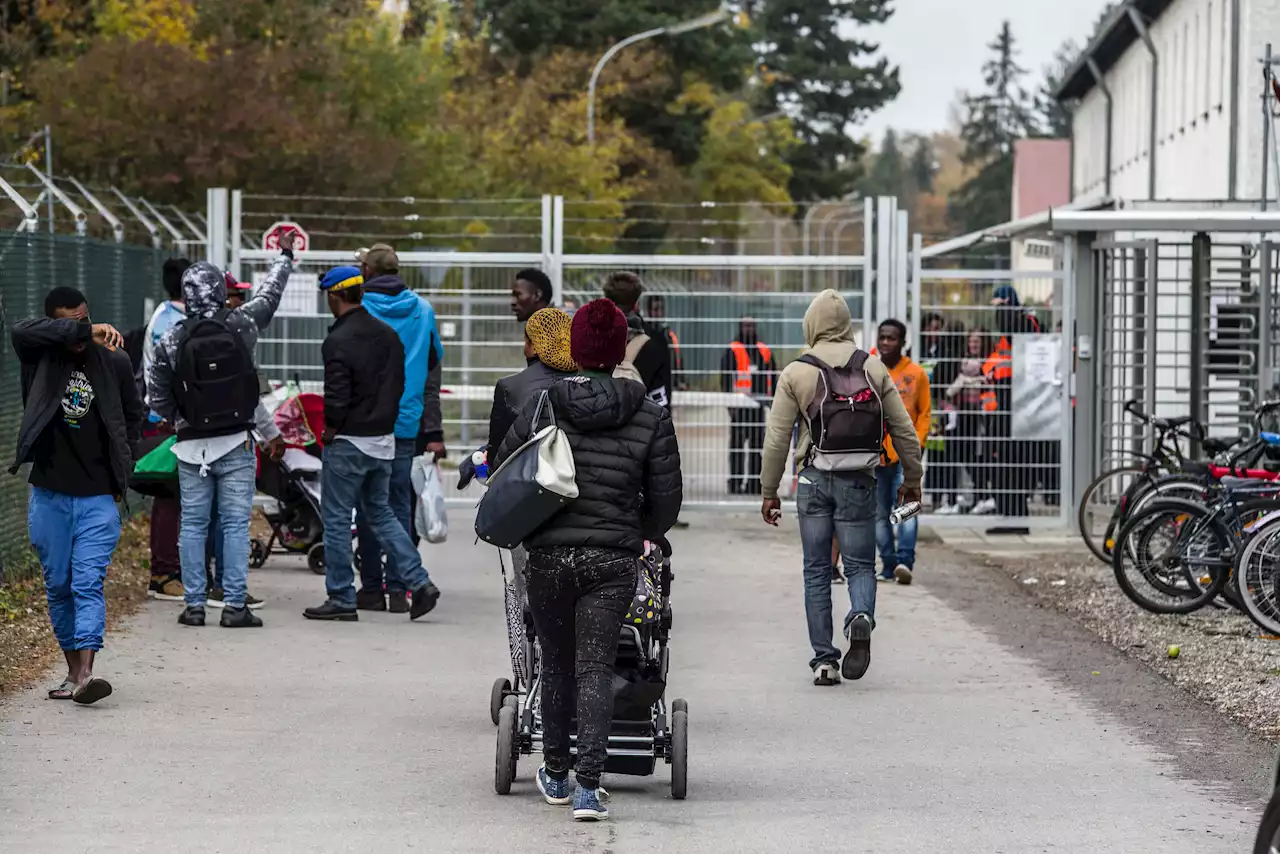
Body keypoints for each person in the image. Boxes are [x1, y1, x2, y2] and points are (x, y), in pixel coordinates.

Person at [492, 299, 681, 821]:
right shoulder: (649, 413)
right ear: (621, 349)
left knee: (556, 665)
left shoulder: (543, 403)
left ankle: (553, 770)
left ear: (575, 348)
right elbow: (666, 501)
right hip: (612, 561)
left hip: (549, 554)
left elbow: (507, 466)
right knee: (597, 665)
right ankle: (588, 787)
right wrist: (631, 531)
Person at [758, 290, 923, 687]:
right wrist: (912, 482)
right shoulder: (873, 368)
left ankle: (824, 660)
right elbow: (903, 430)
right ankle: (860, 616)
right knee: (860, 565)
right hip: (860, 481)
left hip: (814, 480)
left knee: (816, 570)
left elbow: (777, 438)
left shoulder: (797, 372)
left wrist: (769, 490)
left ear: (811, 324)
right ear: (847, 324)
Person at [148, 238, 294, 628]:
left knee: (193, 524)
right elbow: (270, 295)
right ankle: (233, 605)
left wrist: (183, 416)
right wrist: (285, 258)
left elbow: (156, 397)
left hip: (190, 445)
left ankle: (194, 605)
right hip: (237, 441)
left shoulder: (172, 339)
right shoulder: (242, 324)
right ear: (220, 290)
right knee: (233, 524)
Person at [11, 287, 143, 704]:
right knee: (59, 584)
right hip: (49, 494)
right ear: (55, 323)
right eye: (72, 321)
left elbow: (132, 414)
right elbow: (21, 330)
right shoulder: (39, 358)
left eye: (86, 318)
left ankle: (87, 674)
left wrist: (124, 461)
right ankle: (71, 672)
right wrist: (76, 330)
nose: (83, 329)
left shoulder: (114, 360)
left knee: (88, 582)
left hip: (96, 497)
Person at [303, 267, 441, 622]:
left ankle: (341, 597)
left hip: (348, 442)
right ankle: (420, 583)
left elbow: (336, 396)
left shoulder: (337, 340)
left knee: (335, 519)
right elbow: (399, 386)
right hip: (384, 441)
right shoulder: (388, 337)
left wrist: (331, 430)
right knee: (383, 513)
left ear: (334, 296)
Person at [350, 245, 446, 612]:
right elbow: (434, 358)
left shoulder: (362, 308)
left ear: (368, 272)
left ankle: (371, 586)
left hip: (367, 420)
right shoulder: (422, 310)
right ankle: (398, 589)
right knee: (398, 505)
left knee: (368, 502)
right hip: (407, 419)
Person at [143, 258, 190, 602]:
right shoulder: (172, 322)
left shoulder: (167, 316)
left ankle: (173, 568)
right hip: (167, 420)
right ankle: (163, 573)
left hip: (171, 417)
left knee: (178, 497)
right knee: (170, 497)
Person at [873, 319, 931, 585]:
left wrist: (915, 446)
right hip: (875, 456)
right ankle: (888, 564)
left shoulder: (916, 374)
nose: (886, 342)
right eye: (882, 337)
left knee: (906, 508)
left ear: (903, 342)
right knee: (879, 512)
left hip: (905, 457)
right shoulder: (868, 370)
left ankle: (905, 561)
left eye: (892, 338)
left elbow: (924, 415)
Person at [486, 307, 578, 458]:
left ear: (535, 347)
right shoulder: (585, 382)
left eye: (526, 341)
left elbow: (496, 454)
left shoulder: (509, 387)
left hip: (527, 477)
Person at [985, 286, 1040, 517]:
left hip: (1017, 402)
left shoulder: (1025, 324)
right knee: (1002, 463)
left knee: (1013, 464)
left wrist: (1012, 310)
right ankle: (1008, 513)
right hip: (1005, 401)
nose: (999, 313)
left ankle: (1016, 515)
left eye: (1002, 307)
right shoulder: (1013, 328)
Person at [721, 318, 776, 495]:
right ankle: (735, 484)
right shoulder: (733, 349)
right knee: (737, 448)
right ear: (740, 327)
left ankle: (754, 484)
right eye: (746, 325)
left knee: (756, 448)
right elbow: (725, 377)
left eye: (752, 325)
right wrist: (729, 402)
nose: (749, 329)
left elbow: (773, 375)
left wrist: (773, 400)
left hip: (757, 407)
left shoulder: (763, 350)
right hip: (739, 406)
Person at [602, 272, 671, 409]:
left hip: (598, 423)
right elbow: (661, 399)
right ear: (636, 303)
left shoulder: (591, 338)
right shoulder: (655, 342)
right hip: (639, 424)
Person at [945, 328, 993, 515]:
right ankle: (979, 495)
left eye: (977, 341)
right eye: (971, 341)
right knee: (964, 455)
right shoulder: (964, 362)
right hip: (962, 413)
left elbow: (983, 382)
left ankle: (983, 495)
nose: (973, 345)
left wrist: (964, 382)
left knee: (973, 456)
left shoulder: (984, 363)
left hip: (978, 414)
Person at [644, 294, 683, 392]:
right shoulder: (644, 335)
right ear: (649, 311)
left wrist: (679, 381)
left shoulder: (668, 335)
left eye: (661, 309)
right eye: (656, 309)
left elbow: (677, 360)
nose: (659, 313)